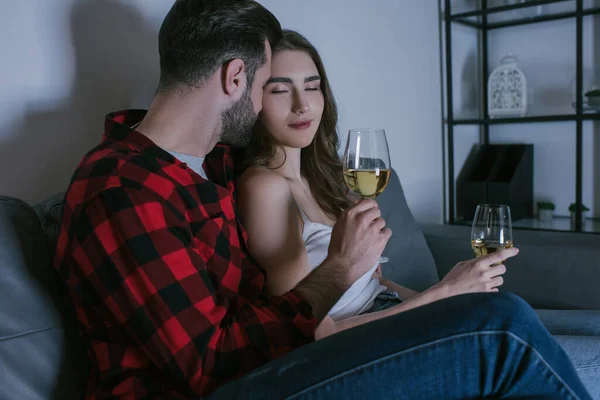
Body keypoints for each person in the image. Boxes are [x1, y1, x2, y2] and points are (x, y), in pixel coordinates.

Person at [53, 1, 592, 399]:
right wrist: (340, 268)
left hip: (277, 361)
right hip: (230, 389)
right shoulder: (124, 189)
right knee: (503, 328)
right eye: (269, 82)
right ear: (236, 77)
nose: (286, 100)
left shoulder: (208, 165)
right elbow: (211, 363)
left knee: (502, 316)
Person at [238, 30, 511, 338]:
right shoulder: (264, 187)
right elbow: (306, 333)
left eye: (312, 87)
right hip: (356, 344)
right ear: (253, 99)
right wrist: (443, 294)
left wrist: (444, 294)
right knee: (509, 325)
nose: (303, 105)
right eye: (279, 91)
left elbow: (375, 288)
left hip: (390, 313)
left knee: (506, 309)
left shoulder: (323, 178)